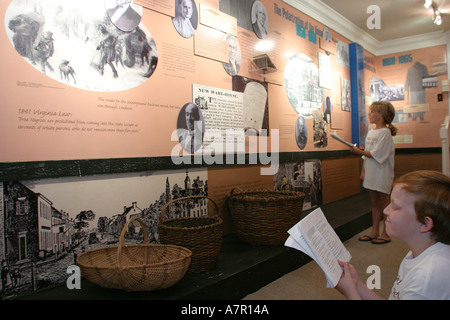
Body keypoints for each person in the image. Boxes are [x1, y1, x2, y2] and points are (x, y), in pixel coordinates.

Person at [336, 170, 450, 300]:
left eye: (395, 207)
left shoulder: (425, 280)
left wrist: (350, 293)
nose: (386, 210)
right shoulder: (419, 252)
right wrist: (357, 286)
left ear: (425, 223)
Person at [349, 101, 397, 244]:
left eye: (372, 112)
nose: (369, 114)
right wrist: (363, 170)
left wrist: (358, 151)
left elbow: (378, 154)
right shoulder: (371, 131)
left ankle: (386, 233)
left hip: (382, 173)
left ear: (381, 115)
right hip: (371, 172)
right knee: (374, 202)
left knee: (384, 202)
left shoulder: (385, 133)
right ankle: (375, 231)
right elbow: (367, 155)